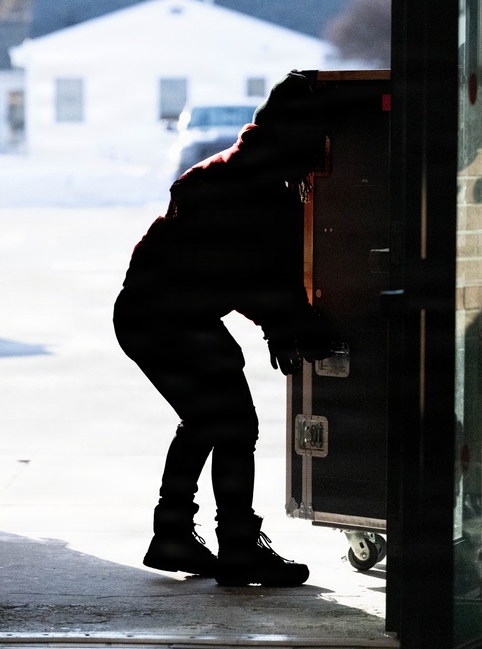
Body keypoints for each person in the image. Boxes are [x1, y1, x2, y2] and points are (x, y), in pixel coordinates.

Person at [113, 72, 335, 587]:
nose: (322, 159)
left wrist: (284, 324)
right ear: (296, 137)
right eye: (319, 142)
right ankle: (235, 545)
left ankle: (175, 532)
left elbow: (257, 277)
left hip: (160, 313)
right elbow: (252, 277)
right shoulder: (246, 189)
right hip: (165, 317)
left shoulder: (247, 175)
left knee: (210, 420)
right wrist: (292, 325)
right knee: (233, 423)